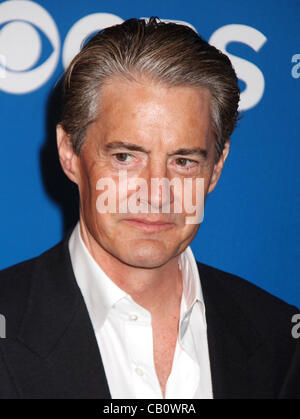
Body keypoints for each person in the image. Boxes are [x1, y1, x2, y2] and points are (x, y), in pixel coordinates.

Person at [0, 17, 299, 399]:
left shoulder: (280, 337)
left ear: (216, 168)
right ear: (69, 153)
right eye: (125, 156)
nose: (157, 193)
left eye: (184, 161)